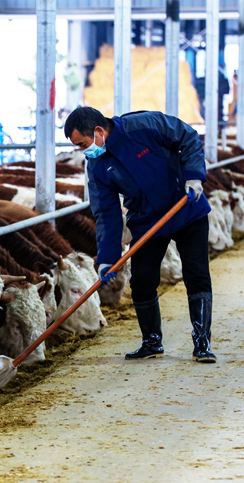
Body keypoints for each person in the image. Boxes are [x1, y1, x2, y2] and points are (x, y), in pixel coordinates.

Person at [64, 106, 216, 363]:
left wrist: (194, 176)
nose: (83, 151)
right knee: (142, 281)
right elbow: (106, 212)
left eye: (82, 144)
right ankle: (152, 342)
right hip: (147, 221)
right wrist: (107, 258)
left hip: (187, 208)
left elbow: (188, 136)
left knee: (197, 274)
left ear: (99, 131)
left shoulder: (144, 124)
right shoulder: (97, 164)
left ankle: (202, 343)